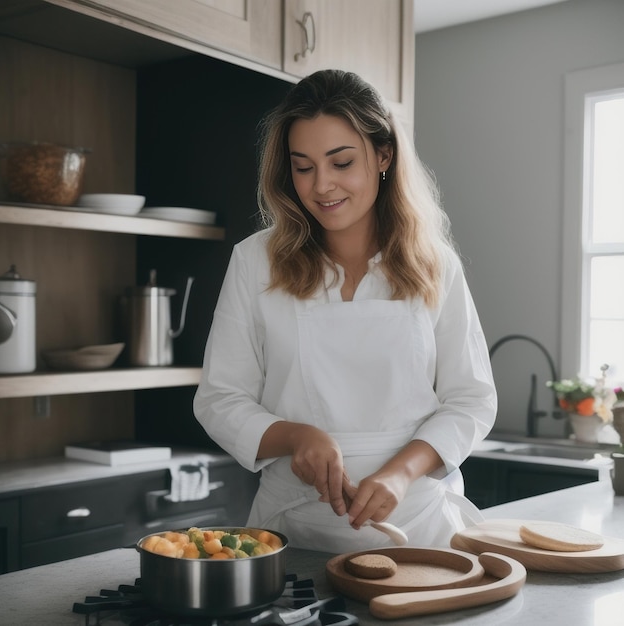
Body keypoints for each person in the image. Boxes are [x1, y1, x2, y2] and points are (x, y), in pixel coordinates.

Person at [194, 69, 497, 552]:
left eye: (341, 162)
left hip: (418, 528)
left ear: (383, 155)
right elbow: (219, 398)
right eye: (303, 166)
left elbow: (471, 399)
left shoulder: (435, 265)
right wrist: (297, 438)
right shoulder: (255, 260)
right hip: (295, 531)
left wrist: (400, 473)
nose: (321, 186)